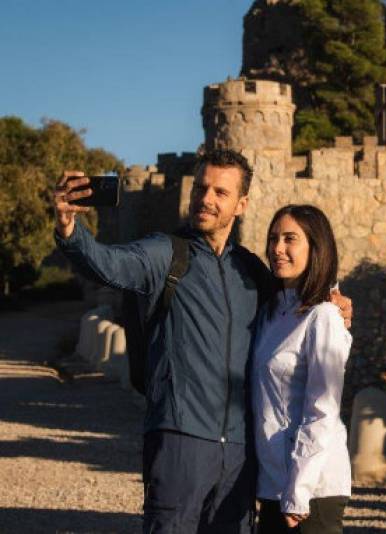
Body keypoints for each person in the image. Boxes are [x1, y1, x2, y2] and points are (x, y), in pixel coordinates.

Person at [52, 150, 352, 533]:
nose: (206, 198)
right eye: (201, 188)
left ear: (241, 205)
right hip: (181, 441)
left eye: (220, 192)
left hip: (242, 457)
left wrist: (334, 298)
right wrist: (69, 231)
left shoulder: (252, 272)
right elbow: (108, 263)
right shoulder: (165, 254)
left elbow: (301, 295)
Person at [252, 205, 351, 534]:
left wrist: (299, 491)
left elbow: (322, 409)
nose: (277, 248)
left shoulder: (323, 316)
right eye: (273, 238)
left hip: (312, 492)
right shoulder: (271, 313)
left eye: (290, 239)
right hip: (273, 487)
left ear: (315, 248)